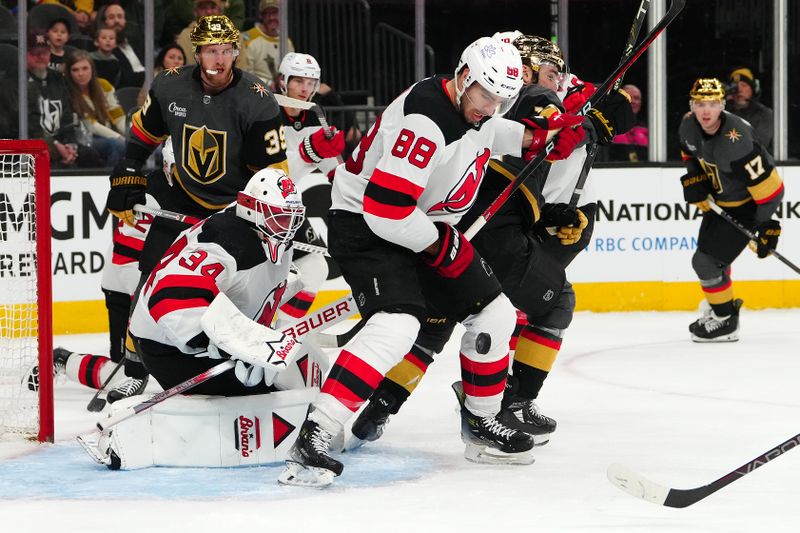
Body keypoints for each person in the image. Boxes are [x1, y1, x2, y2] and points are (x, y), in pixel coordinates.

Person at [278, 36, 588, 487]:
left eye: (503, 100)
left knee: (496, 314)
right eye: (486, 97)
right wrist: (438, 244)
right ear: (464, 77)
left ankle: (480, 421)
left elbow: (488, 129)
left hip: (419, 224)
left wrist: (534, 137)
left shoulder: (463, 100)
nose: (491, 108)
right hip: (367, 226)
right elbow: (385, 211)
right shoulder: (426, 122)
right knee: (397, 325)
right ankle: (315, 435)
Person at [348, 33, 634, 450]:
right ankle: (510, 403)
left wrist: (594, 118)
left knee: (435, 324)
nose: (559, 83)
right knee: (555, 301)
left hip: (462, 222)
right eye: (552, 73)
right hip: (493, 229)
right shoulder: (532, 94)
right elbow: (552, 120)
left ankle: (380, 406)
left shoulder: (491, 100)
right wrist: (593, 122)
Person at [104, 15, 342, 403]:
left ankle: (240, 348)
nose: (220, 59)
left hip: (236, 205)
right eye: (211, 51)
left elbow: (270, 172)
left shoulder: (257, 99)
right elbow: (144, 134)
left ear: (236, 53)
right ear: (197, 53)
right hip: (180, 194)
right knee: (151, 277)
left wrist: (261, 216)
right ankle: (135, 369)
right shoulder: (169, 84)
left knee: (244, 286)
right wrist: (128, 172)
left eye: (227, 51)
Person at [84, 169, 328, 470]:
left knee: (303, 362)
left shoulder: (262, 233)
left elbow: (251, 285)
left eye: (293, 219)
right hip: (168, 344)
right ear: (253, 210)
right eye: (280, 218)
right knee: (259, 385)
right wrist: (226, 346)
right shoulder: (228, 242)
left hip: (203, 334)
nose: (288, 228)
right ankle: (134, 429)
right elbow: (169, 297)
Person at [680, 78, 783, 342]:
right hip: (720, 203)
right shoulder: (688, 125)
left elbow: (771, 190)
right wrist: (695, 178)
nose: (706, 111)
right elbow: (690, 154)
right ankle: (721, 310)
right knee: (712, 261)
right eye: (700, 104)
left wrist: (764, 225)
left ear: (723, 105)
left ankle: (726, 320)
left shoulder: (736, 141)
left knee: (704, 262)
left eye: (713, 104)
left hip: (747, 207)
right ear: (692, 106)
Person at [271, 52, 344, 328]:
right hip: (251, 212)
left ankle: (283, 335)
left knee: (315, 267)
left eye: (310, 81)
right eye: (298, 80)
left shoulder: (314, 118)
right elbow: (268, 174)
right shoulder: (265, 112)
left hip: (285, 213)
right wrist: (308, 151)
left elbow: (337, 173)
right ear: (283, 81)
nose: (304, 88)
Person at [25, 29, 78, 168]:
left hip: (59, 143)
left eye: (45, 53)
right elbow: (27, 125)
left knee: (90, 155)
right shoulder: (17, 82)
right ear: (25, 55)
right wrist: (54, 144)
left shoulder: (58, 79)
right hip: (32, 146)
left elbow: (67, 117)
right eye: (36, 53)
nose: (41, 57)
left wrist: (70, 144)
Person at [65, 50, 126, 165]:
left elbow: (118, 116)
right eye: (75, 70)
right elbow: (91, 125)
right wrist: (120, 138)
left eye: (85, 68)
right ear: (69, 73)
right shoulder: (67, 92)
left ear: (92, 69)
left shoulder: (104, 85)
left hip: (109, 134)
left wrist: (133, 136)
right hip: (84, 138)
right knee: (118, 145)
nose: (81, 74)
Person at [241, 0, 294, 86]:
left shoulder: (286, 42)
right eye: (267, 14)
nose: (272, 17)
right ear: (261, 16)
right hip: (256, 90)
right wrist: (269, 84)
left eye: (275, 13)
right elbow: (244, 73)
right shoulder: (248, 38)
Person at [96, 2, 145, 88]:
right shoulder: (105, 49)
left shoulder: (135, 41)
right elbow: (125, 80)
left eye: (120, 17)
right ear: (104, 22)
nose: (116, 21)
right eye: (111, 17)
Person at [726, 67, 774, 151]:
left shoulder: (764, 114)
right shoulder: (723, 113)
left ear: (753, 89)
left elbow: (759, 145)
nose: (739, 90)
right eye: (735, 86)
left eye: (744, 85)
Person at [606, 83, 648, 162]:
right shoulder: (607, 125)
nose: (633, 101)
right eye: (629, 97)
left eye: (636, 98)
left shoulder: (648, 128)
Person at [137, 42, 187, 107]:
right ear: (162, 60)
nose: (176, 61)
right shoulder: (153, 78)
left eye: (180, 58)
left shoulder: (187, 80)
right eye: (171, 57)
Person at [176, 0, 224, 67]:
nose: (209, 12)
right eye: (203, 8)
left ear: (220, 11)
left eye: (213, 7)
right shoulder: (186, 35)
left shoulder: (234, 36)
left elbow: (241, 71)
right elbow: (184, 68)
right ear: (196, 12)